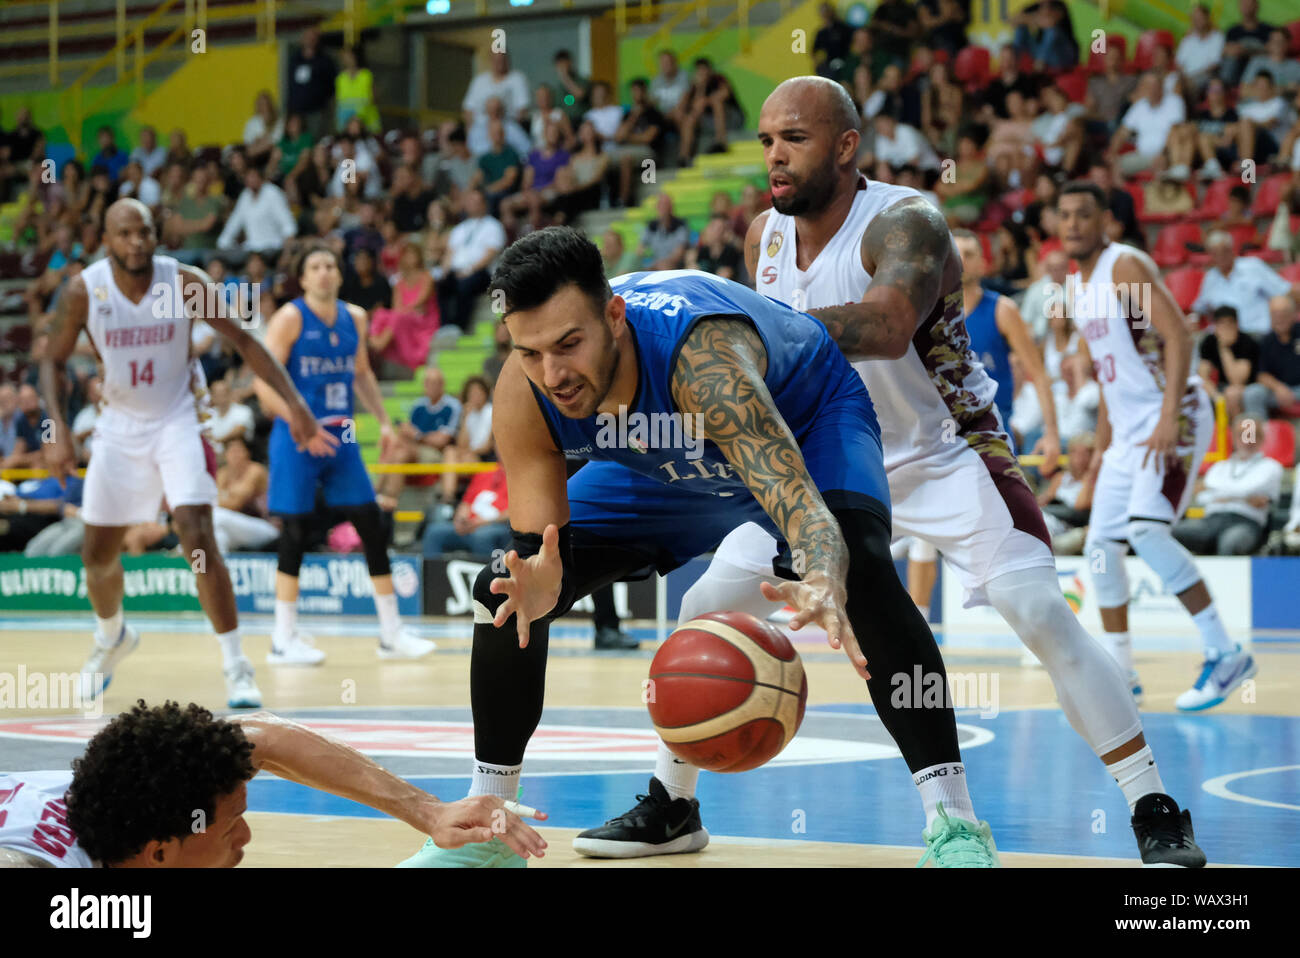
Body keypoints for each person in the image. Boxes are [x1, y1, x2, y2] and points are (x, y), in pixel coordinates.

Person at [578, 78, 1205, 867]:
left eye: (794, 139)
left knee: (1040, 610)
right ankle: (674, 804)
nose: (774, 154)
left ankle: (1152, 805)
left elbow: (884, 326)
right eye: (767, 138)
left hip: (940, 452)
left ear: (846, 147)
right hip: (826, 463)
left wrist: (737, 339)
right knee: (705, 601)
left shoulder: (908, 221)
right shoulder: (761, 237)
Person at [397, 225, 1000, 869]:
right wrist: (544, 584)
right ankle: (490, 828)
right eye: (530, 352)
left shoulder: (702, 362)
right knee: (503, 590)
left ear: (614, 316)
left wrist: (824, 575)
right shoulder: (525, 391)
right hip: (654, 463)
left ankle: (954, 825)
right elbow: (536, 548)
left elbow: (803, 511)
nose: (553, 373)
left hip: (803, 422)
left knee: (865, 576)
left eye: (569, 344)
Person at [37, 199, 333, 710]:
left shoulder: (183, 281)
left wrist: (296, 405)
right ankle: (112, 636)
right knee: (98, 554)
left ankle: (236, 664)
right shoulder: (86, 288)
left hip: (179, 419)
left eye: (144, 232)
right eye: (125, 234)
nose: (136, 242)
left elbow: (245, 338)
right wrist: (55, 428)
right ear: (106, 240)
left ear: (156, 235)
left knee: (197, 531)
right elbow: (51, 361)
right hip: (120, 426)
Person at [1059, 181, 1257, 716]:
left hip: (1174, 414)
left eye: (1084, 214)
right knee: (1100, 550)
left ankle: (1225, 652)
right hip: (1126, 432)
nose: (1072, 224)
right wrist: (1101, 450)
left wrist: (1168, 415)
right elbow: (1108, 378)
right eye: (1065, 215)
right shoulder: (1078, 287)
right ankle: (1122, 674)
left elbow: (1180, 336)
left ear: (1107, 222)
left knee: (1147, 531)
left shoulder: (1125, 266)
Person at [0, 700, 545, 868]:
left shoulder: (126, 801)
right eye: (231, 823)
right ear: (160, 853)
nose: (247, 839)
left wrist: (428, 812)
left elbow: (257, 737)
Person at [254, 242, 436, 664]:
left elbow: (362, 374)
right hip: (297, 435)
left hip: (342, 432)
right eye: (314, 266)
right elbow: (264, 384)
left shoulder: (355, 317)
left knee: (371, 521)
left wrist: (385, 422)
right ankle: (283, 640)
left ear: (338, 274)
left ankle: (392, 634)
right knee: (296, 530)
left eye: (329, 265)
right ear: (302, 278)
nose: (323, 272)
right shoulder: (289, 318)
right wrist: (301, 423)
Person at [1174, 414, 1282, 557]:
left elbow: (1244, 488)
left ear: (1261, 438)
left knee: (1230, 542)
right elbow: (1201, 498)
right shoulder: (1219, 467)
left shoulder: (1271, 466)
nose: (1247, 441)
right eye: (1241, 435)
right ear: (1234, 438)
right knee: (1171, 533)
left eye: (1252, 435)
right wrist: (1244, 498)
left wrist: (1216, 492)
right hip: (1210, 521)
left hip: (1246, 523)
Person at [376, 365, 461, 506]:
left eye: (433, 382)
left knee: (399, 451)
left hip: (437, 454)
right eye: (427, 382)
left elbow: (442, 441)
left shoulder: (451, 406)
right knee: (396, 447)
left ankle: (385, 495)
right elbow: (408, 433)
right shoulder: (418, 405)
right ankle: (385, 497)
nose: (429, 386)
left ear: (442, 384)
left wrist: (417, 435)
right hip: (416, 451)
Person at [422, 462, 511, 558]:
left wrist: (483, 522)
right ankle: (432, 571)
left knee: (482, 536)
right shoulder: (485, 473)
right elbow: (466, 502)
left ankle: (492, 572)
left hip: (497, 525)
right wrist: (460, 520)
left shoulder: (520, 477)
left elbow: (513, 512)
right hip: (470, 524)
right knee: (434, 531)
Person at [1242, 295, 1300, 420]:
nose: (1279, 317)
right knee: (1252, 393)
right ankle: (1256, 437)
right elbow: (1262, 375)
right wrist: (1279, 388)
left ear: (1294, 314)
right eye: (1274, 313)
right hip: (1280, 391)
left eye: (1284, 313)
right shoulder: (1267, 341)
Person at [1199, 306, 1259, 420]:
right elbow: (1203, 376)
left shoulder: (1246, 342)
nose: (1226, 328)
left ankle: (1235, 431)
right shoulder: (1209, 341)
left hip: (1248, 386)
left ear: (1236, 324)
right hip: (1220, 387)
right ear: (1215, 326)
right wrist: (1217, 397)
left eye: (1229, 324)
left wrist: (1224, 348)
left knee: (1232, 393)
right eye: (1221, 324)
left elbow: (1236, 379)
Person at [286, 27, 337, 140]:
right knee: (297, 139)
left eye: (313, 38)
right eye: (307, 37)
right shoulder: (295, 59)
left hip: (316, 109)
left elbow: (331, 84)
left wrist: (321, 98)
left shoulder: (325, 60)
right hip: (297, 110)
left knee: (315, 138)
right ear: (302, 39)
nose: (310, 40)